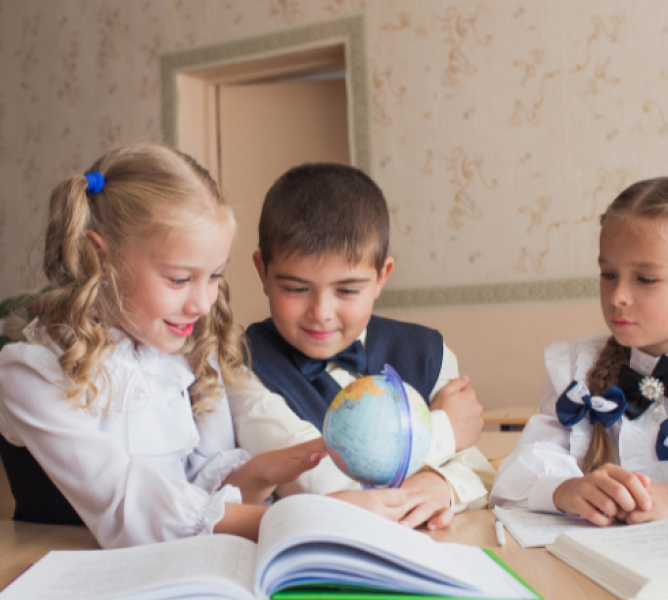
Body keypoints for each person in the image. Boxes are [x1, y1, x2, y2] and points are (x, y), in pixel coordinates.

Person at [0, 144, 425, 549]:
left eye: (214, 276)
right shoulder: (31, 372)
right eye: (180, 279)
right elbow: (127, 510)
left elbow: (206, 494)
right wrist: (316, 517)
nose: (203, 304)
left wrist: (265, 469)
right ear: (100, 258)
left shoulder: (188, 355)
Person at [228, 163, 495, 531]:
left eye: (347, 290)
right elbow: (323, 486)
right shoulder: (242, 366)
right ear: (263, 271)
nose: (321, 313)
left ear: (382, 276)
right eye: (295, 288)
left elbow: (478, 471)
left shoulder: (427, 351)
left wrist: (440, 485)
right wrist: (443, 431)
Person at [492, 174, 668, 526]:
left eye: (645, 279)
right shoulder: (576, 367)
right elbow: (516, 476)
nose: (617, 297)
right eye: (608, 274)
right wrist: (566, 490)